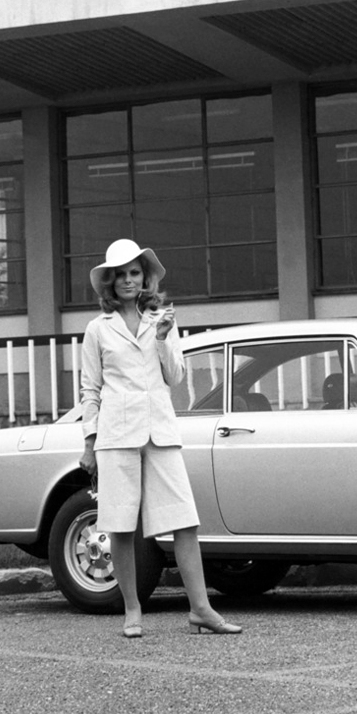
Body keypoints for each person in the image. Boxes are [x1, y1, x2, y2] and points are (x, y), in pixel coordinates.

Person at [79, 238, 242, 638]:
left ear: (145, 277)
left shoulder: (161, 320)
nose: (128, 281)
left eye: (134, 273)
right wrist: (89, 442)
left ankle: (201, 608)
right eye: (120, 275)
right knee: (119, 525)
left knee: (184, 521)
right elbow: (90, 390)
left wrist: (164, 336)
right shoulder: (97, 329)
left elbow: (177, 378)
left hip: (161, 432)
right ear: (110, 283)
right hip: (116, 436)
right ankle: (132, 610)